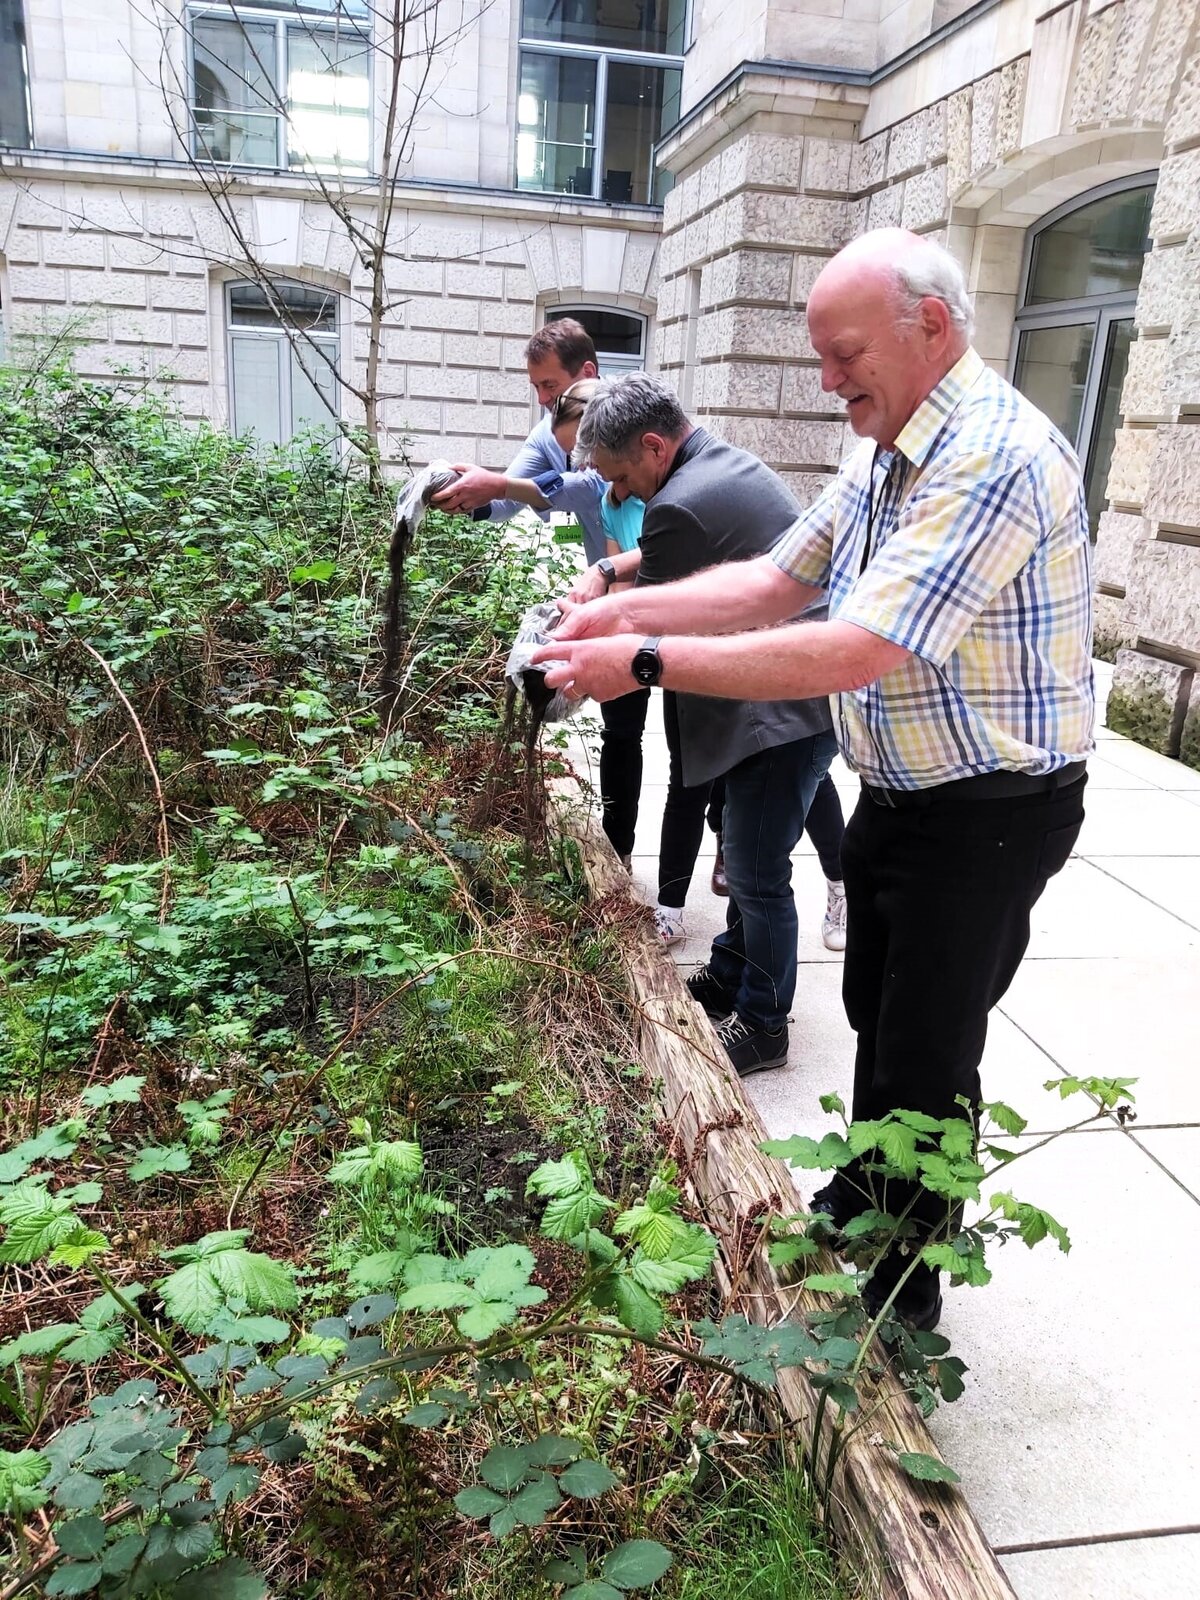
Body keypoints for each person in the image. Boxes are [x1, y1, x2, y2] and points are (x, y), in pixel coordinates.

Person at [534, 229, 1093, 1332]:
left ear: (930, 326)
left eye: (845, 355)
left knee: (928, 1050)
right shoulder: (887, 447)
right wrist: (617, 609)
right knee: (877, 1014)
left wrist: (640, 661)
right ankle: (865, 1194)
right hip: (905, 791)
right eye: (822, 357)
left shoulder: (992, 456)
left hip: (990, 810)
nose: (829, 381)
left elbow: (858, 646)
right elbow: (775, 581)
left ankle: (901, 1294)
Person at [559, 372, 839, 1076]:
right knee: (746, 855)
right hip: (787, 696)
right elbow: (654, 575)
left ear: (654, 447)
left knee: (756, 871)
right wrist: (607, 571)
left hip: (778, 713)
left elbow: (644, 624)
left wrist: (566, 654)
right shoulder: (716, 462)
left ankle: (765, 1024)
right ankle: (731, 973)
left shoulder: (678, 504)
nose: (618, 494)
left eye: (620, 477)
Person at [431, 324, 644, 865]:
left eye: (550, 385)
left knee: (699, 731)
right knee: (622, 727)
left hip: (663, 585)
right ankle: (618, 850)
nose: (544, 399)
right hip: (614, 591)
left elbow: (587, 487)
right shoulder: (547, 434)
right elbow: (508, 500)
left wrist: (502, 484)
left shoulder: (628, 427)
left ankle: (728, 829)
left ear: (586, 374)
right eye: (537, 388)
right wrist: (466, 494)